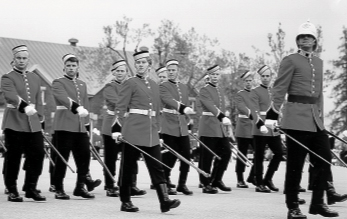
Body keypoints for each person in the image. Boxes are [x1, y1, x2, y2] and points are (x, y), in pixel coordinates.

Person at [265, 21, 339, 218]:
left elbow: (319, 94)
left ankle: (317, 204)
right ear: (297, 41)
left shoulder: (319, 62)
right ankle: (293, 208)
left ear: (315, 40)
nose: (305, 39)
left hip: (315, 119)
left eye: (309, 36)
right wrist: (272, 115)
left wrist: (321, 117)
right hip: (295, 118)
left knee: (324, 160)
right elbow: (280, 88)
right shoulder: (290, 60)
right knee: (295, 166)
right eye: (301, 36)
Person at [112, 50, 180, 213]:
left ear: (149, 65)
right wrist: (119, 128)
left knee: (157, 166)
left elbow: (157, 110)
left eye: (143, 62)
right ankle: (125, 201)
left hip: (151, 133)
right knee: (128, 167)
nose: (140, 65)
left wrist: (158, 132)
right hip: (133, 131)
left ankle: (164, 201)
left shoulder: (155, 85)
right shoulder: (130, 83)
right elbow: (120, 107)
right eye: (138, 63)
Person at [1, 45, 46, 202]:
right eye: (19, 58)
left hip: (32, 123)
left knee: (38, 153)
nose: (21, 61)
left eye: (24, 58)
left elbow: (39, 100)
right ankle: (12, 189)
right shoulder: (7, 77)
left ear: (28, 59)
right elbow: (11, 96)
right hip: (14, 121)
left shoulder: (35, 78)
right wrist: (25, 106)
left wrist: (40, 117)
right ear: (14, 59)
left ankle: (31, 187)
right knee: (14, 157)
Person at [51, 54, 94, 200]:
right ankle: (58, 188)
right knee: (62, 159)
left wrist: (87, 125)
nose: (71, 68)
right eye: (68, 66)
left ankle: (80, 186)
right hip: (64, 125)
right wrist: (77, 108)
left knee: (85, 157)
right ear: (64, 67)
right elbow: (63, 99)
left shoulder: (82, 84)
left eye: (73, 66)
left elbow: (86, 106)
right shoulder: (58, 82)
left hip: (80, 127)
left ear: (77, 68)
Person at [101, 60, 146, 197]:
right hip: (112, 125)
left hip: (128, 126)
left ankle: (130, 184)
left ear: (127, 73)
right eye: (117, 71)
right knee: (111, 157)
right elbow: (118, 102)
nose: (120, 73)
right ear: (113, 72)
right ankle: (110, 185)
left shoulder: (132, 85)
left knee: (131, 157)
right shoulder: (109, 86)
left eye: (123, 71)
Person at [159, 59, 195, 196]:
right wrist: (182, 108)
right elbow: (168, 100)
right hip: (169, 124)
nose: (171, 72)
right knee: (170, 157)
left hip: (182, 125)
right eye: (169, 70)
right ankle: (166, 181)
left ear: (178, 71)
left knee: (186, 155)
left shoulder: (184, 87)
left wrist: (188, 123)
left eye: (173, 70)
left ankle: (182, 184)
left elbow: (185, 106)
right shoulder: (163, 86)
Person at [248, 65, 284, 193]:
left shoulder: (273, 91)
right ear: (260, 77)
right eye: (263, 76)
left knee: (279, 153)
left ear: (271, 77)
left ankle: (268, 178)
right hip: (261, 127)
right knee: (259, 156)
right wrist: (260, 124)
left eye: (267, 76)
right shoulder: (255, 91)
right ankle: (259, 183)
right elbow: (254, 110)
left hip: (273, 127)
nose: (265, 78)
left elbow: (278, 109)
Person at [198, 64, 232, 194]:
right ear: (209, 76)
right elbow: (210, 106)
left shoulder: (220, 90)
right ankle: (205, 182)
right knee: (207, 157)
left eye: (217, 74)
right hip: (208, 126)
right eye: (213, 74)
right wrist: (222, 116)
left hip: (219, 127)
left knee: (226, 153)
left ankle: (217, 179)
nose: (215, 77)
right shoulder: (204, 90)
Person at [234, 70, 254, 188]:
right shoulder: (240, 94)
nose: (248, 83)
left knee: (259, 153)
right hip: (243, 127)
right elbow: (241, 107)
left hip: (253, 127)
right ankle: (240, 179)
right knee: (242, 154)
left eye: (250, 81)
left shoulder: (255, 93)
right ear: (243, 82)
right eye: (246, 81)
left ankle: (253, 176)